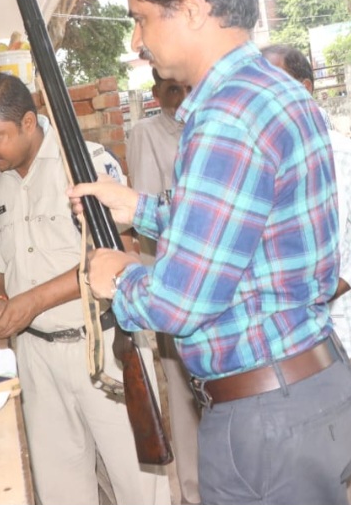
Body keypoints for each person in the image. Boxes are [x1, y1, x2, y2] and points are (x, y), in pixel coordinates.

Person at [69, 0, 351, 505]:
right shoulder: (275, 91)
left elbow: (178, 302)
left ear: (192, 7)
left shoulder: (225, 117)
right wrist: (138, 208)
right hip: (312, 389)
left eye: (141, 18)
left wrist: (116, 278)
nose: (136, 40)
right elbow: (244, 230)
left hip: (265, 421)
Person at [0, 73, 167, 505]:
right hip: (37, 357)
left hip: (104, 348)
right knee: (61, 491)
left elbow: (118, 256)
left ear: (29, 123)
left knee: (139, 487)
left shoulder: (85, 165)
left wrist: (32, 302)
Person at [261, 43, 351, 505]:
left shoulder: (342, 156)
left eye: (274, 83)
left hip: (333, 341)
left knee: (350, 471)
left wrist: (327, 289)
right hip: (274, 349)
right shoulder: (257, 158)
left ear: (303, 89)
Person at [125, 68, 200, 505]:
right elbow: (147, 211)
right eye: (172, 89)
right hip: (173, 278)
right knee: (185, 394)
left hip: (215, 277)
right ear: (155, 92)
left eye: (187, 87)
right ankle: (192, 494)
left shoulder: (209, 124)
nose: (182, 97)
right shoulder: (146, 134)